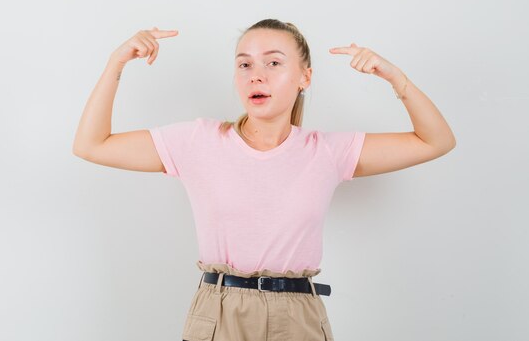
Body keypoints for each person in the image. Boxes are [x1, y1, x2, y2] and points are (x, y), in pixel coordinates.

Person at [72, 18, 456, 341]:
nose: (257, 75)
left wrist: (395, 78)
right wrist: (115, 64)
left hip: (298, 313)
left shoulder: (326, 151)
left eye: (273, 63)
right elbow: (92, 145)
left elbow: (436, 141)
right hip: (219, 309)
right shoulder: (198, 141)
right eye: (244, 65)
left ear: (305, 77)